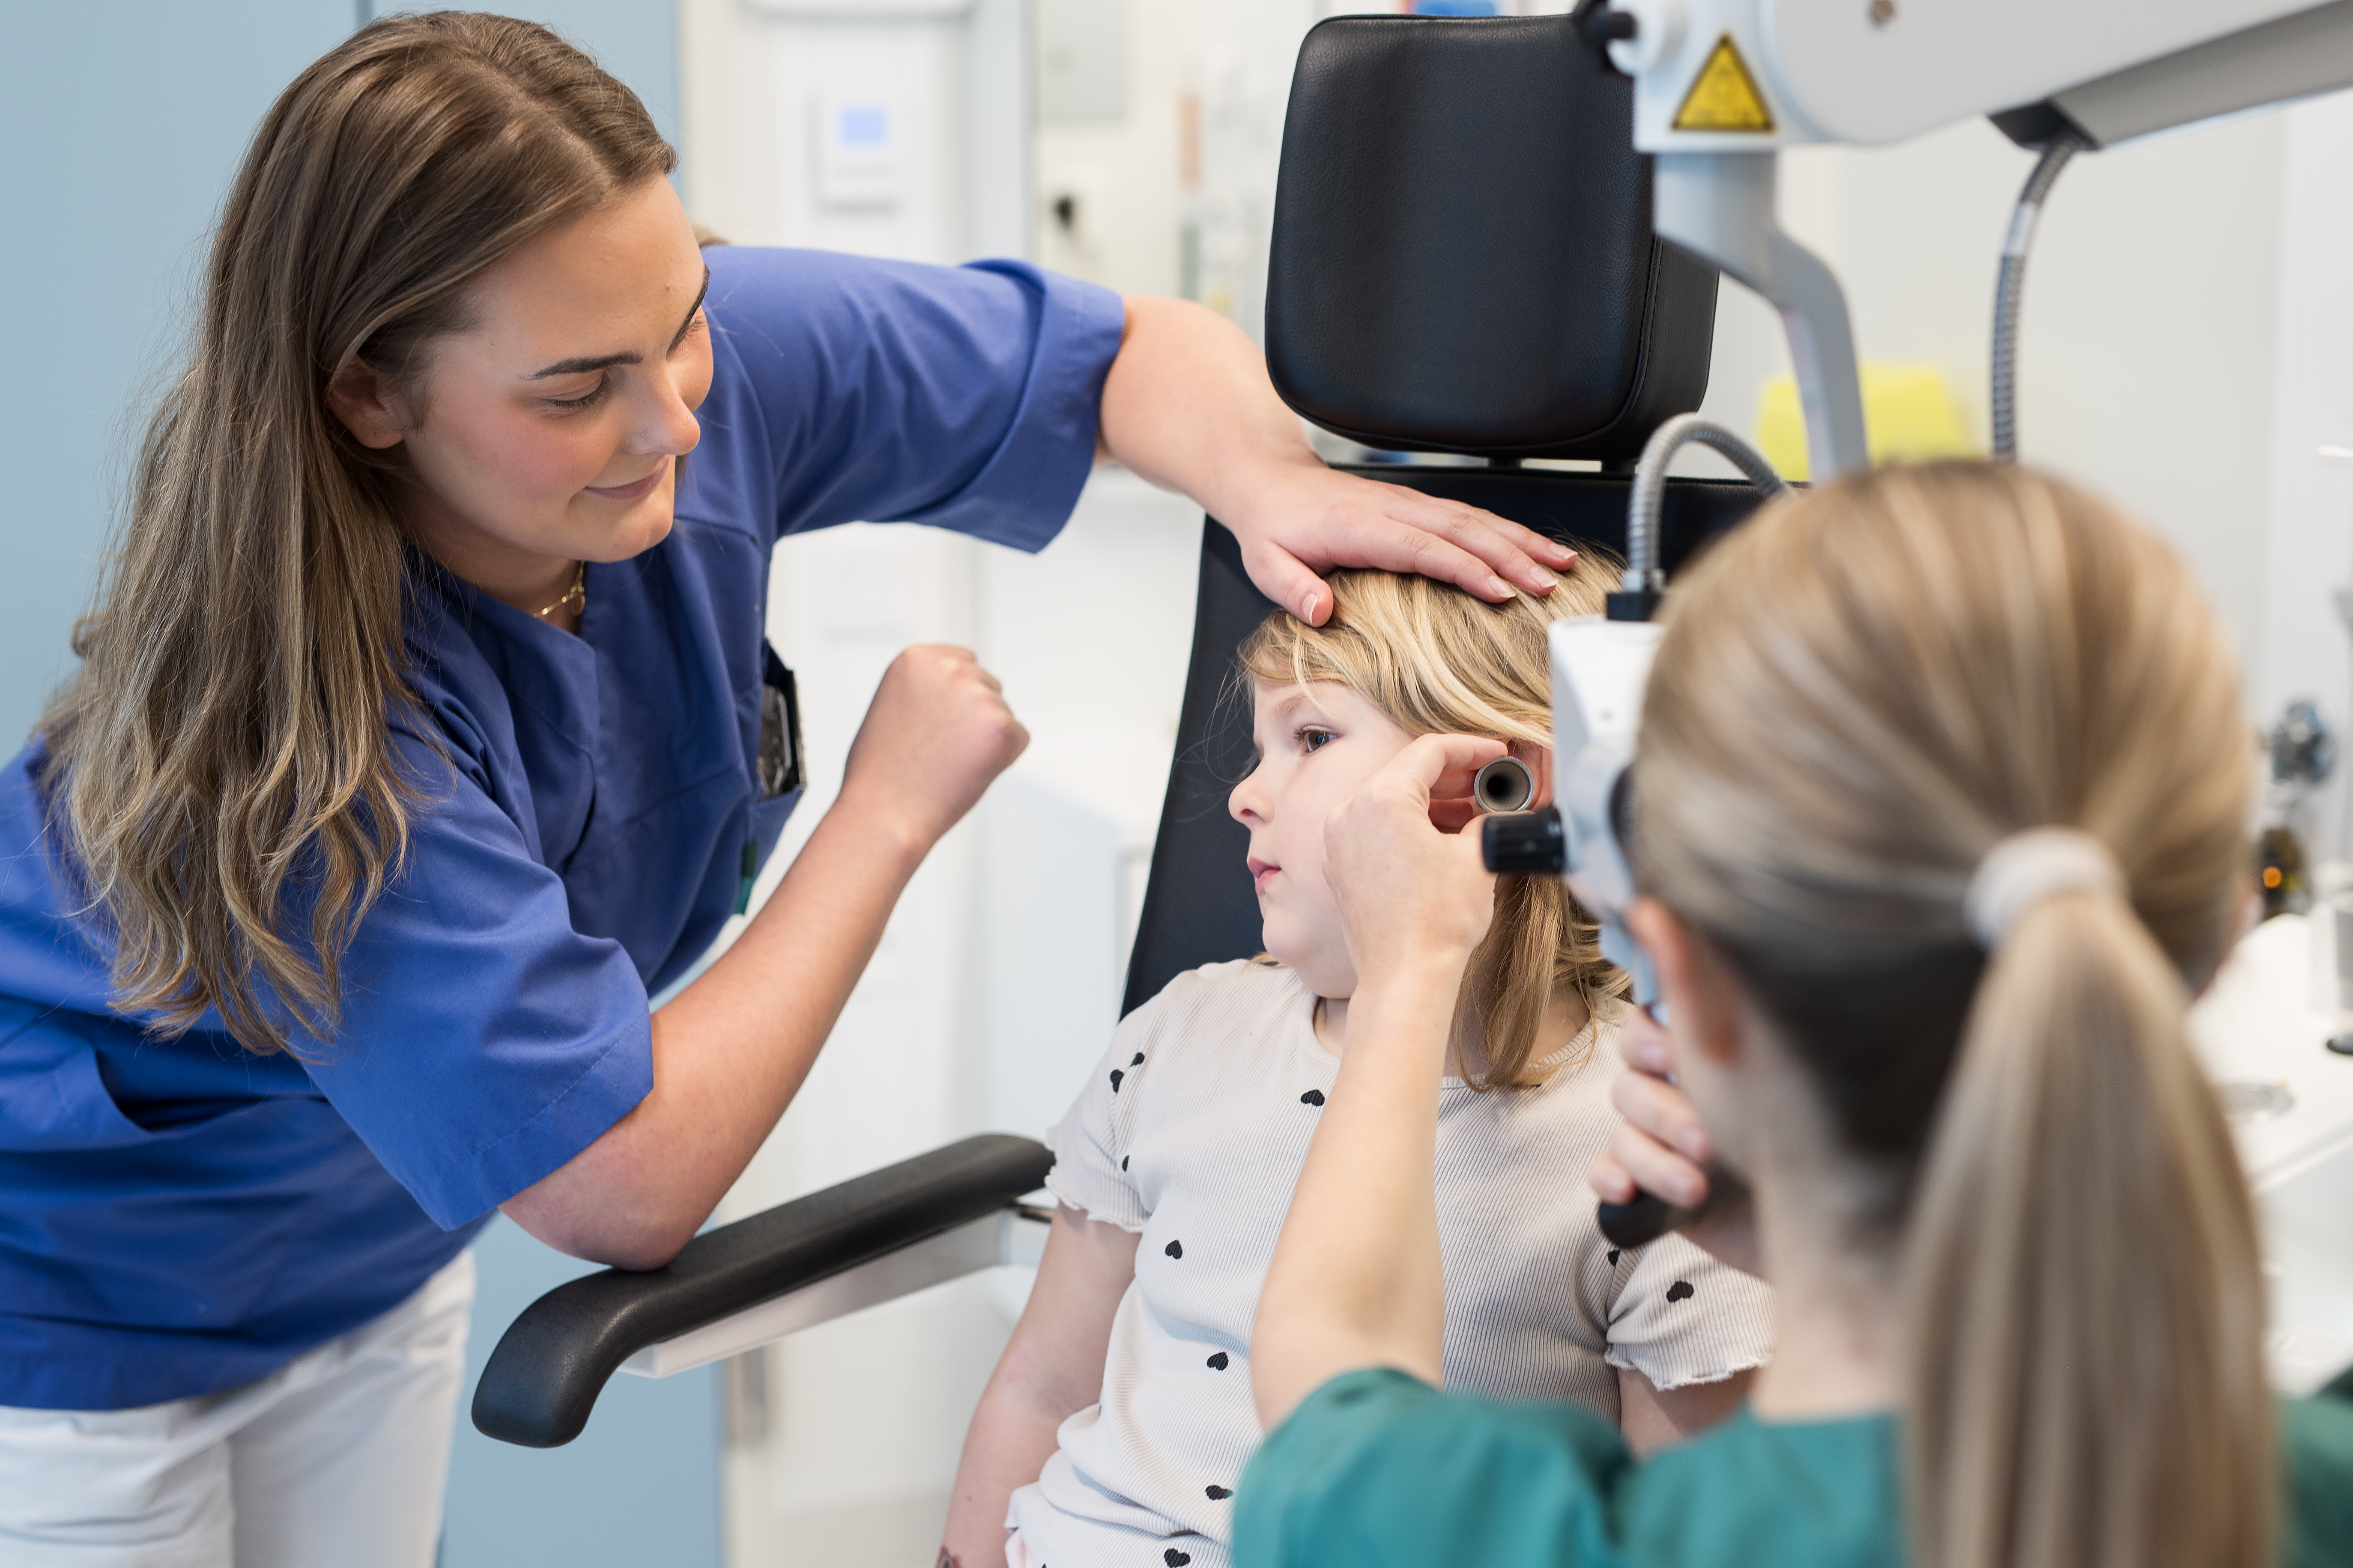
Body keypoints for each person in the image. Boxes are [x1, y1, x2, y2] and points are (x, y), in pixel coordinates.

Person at [0, 14, 1581, 1567]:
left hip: (374, 1241)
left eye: (682, 323)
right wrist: (884, 813)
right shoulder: (316, 744)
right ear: (367, 394)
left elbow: (1131, 354)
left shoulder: (681, 370)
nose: (677, 421)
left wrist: (1266, 481)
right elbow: (619, 1180)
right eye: (577, 389)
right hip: (67, 1291)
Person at [1231, 462, 2353, 1568]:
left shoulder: (1528, 1537)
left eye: (1312, 735)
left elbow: (1330, 1386)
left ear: (1685, 986)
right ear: (2217, 941)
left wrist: (1405, 968)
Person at [939, 566, 1772, 1568]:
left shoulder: (1649, 1140)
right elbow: (1040, 1387)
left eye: (1310, 737)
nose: (1243, 795)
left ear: (1493, 785)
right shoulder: (1181, 1035)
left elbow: (1678, 1537)